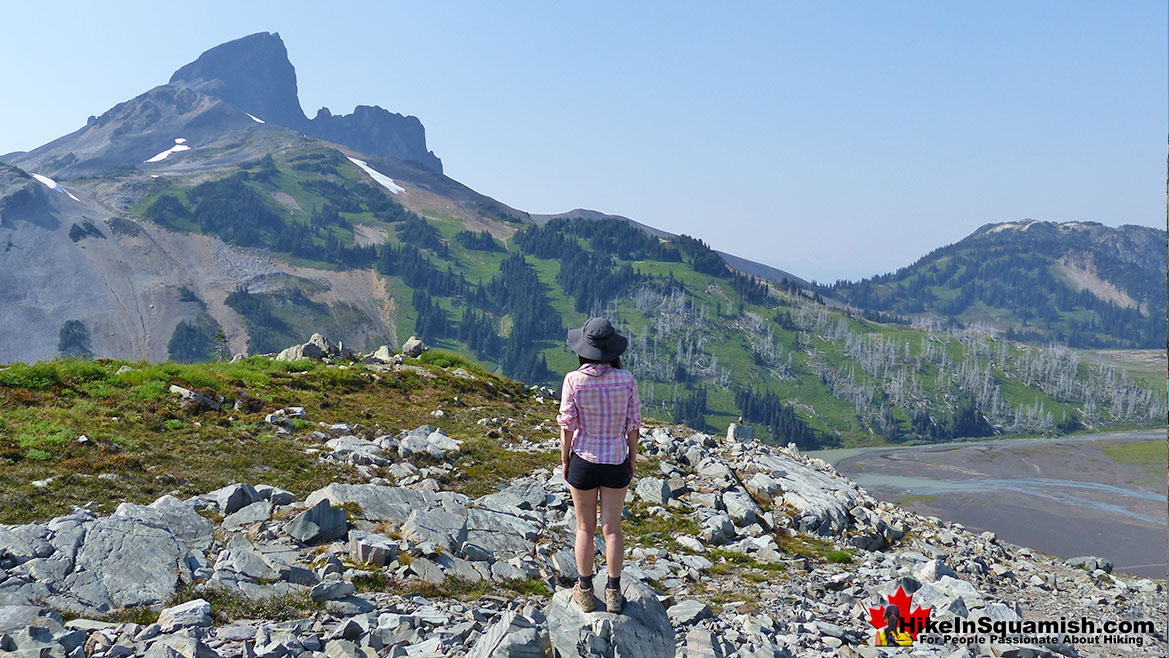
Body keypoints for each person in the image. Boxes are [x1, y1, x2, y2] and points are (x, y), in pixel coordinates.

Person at [557, 317, 641, 613]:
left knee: (584, 527)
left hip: (584, 458)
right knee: (613, 529)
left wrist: (565, 459)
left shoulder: (573, 380)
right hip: (616, 458)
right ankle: (614, 593)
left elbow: (567, 425)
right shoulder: (627, 379)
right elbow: (633, 425)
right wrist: (631, 458)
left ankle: (584, 590)